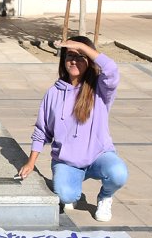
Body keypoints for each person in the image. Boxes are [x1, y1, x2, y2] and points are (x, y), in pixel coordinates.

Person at [17, 37, 128, 222]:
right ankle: (73, 183)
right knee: (66, 196)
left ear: (89, 61)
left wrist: (82, 46)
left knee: (118, 173)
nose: (74, 61)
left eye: (81, 56)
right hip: (68, 161)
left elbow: (111, 70)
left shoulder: (100, 88)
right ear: (63, 60)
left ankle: (105, 197)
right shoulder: (53, 93)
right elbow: (41, 131)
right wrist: (30, 163)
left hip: (98, 156)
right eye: (70, 56)